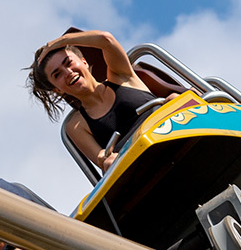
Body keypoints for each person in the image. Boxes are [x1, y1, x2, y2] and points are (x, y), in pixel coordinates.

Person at [27, 28, 160, 172]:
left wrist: (63, 40)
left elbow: (106, 39)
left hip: (166, 132)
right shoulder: (76, 125)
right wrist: (105, 158)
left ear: (84, 62)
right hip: (141, 164)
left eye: (68, 63)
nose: (68, 72)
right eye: (57, 74)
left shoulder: (120, 76)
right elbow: (100, 157)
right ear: (57, 89)